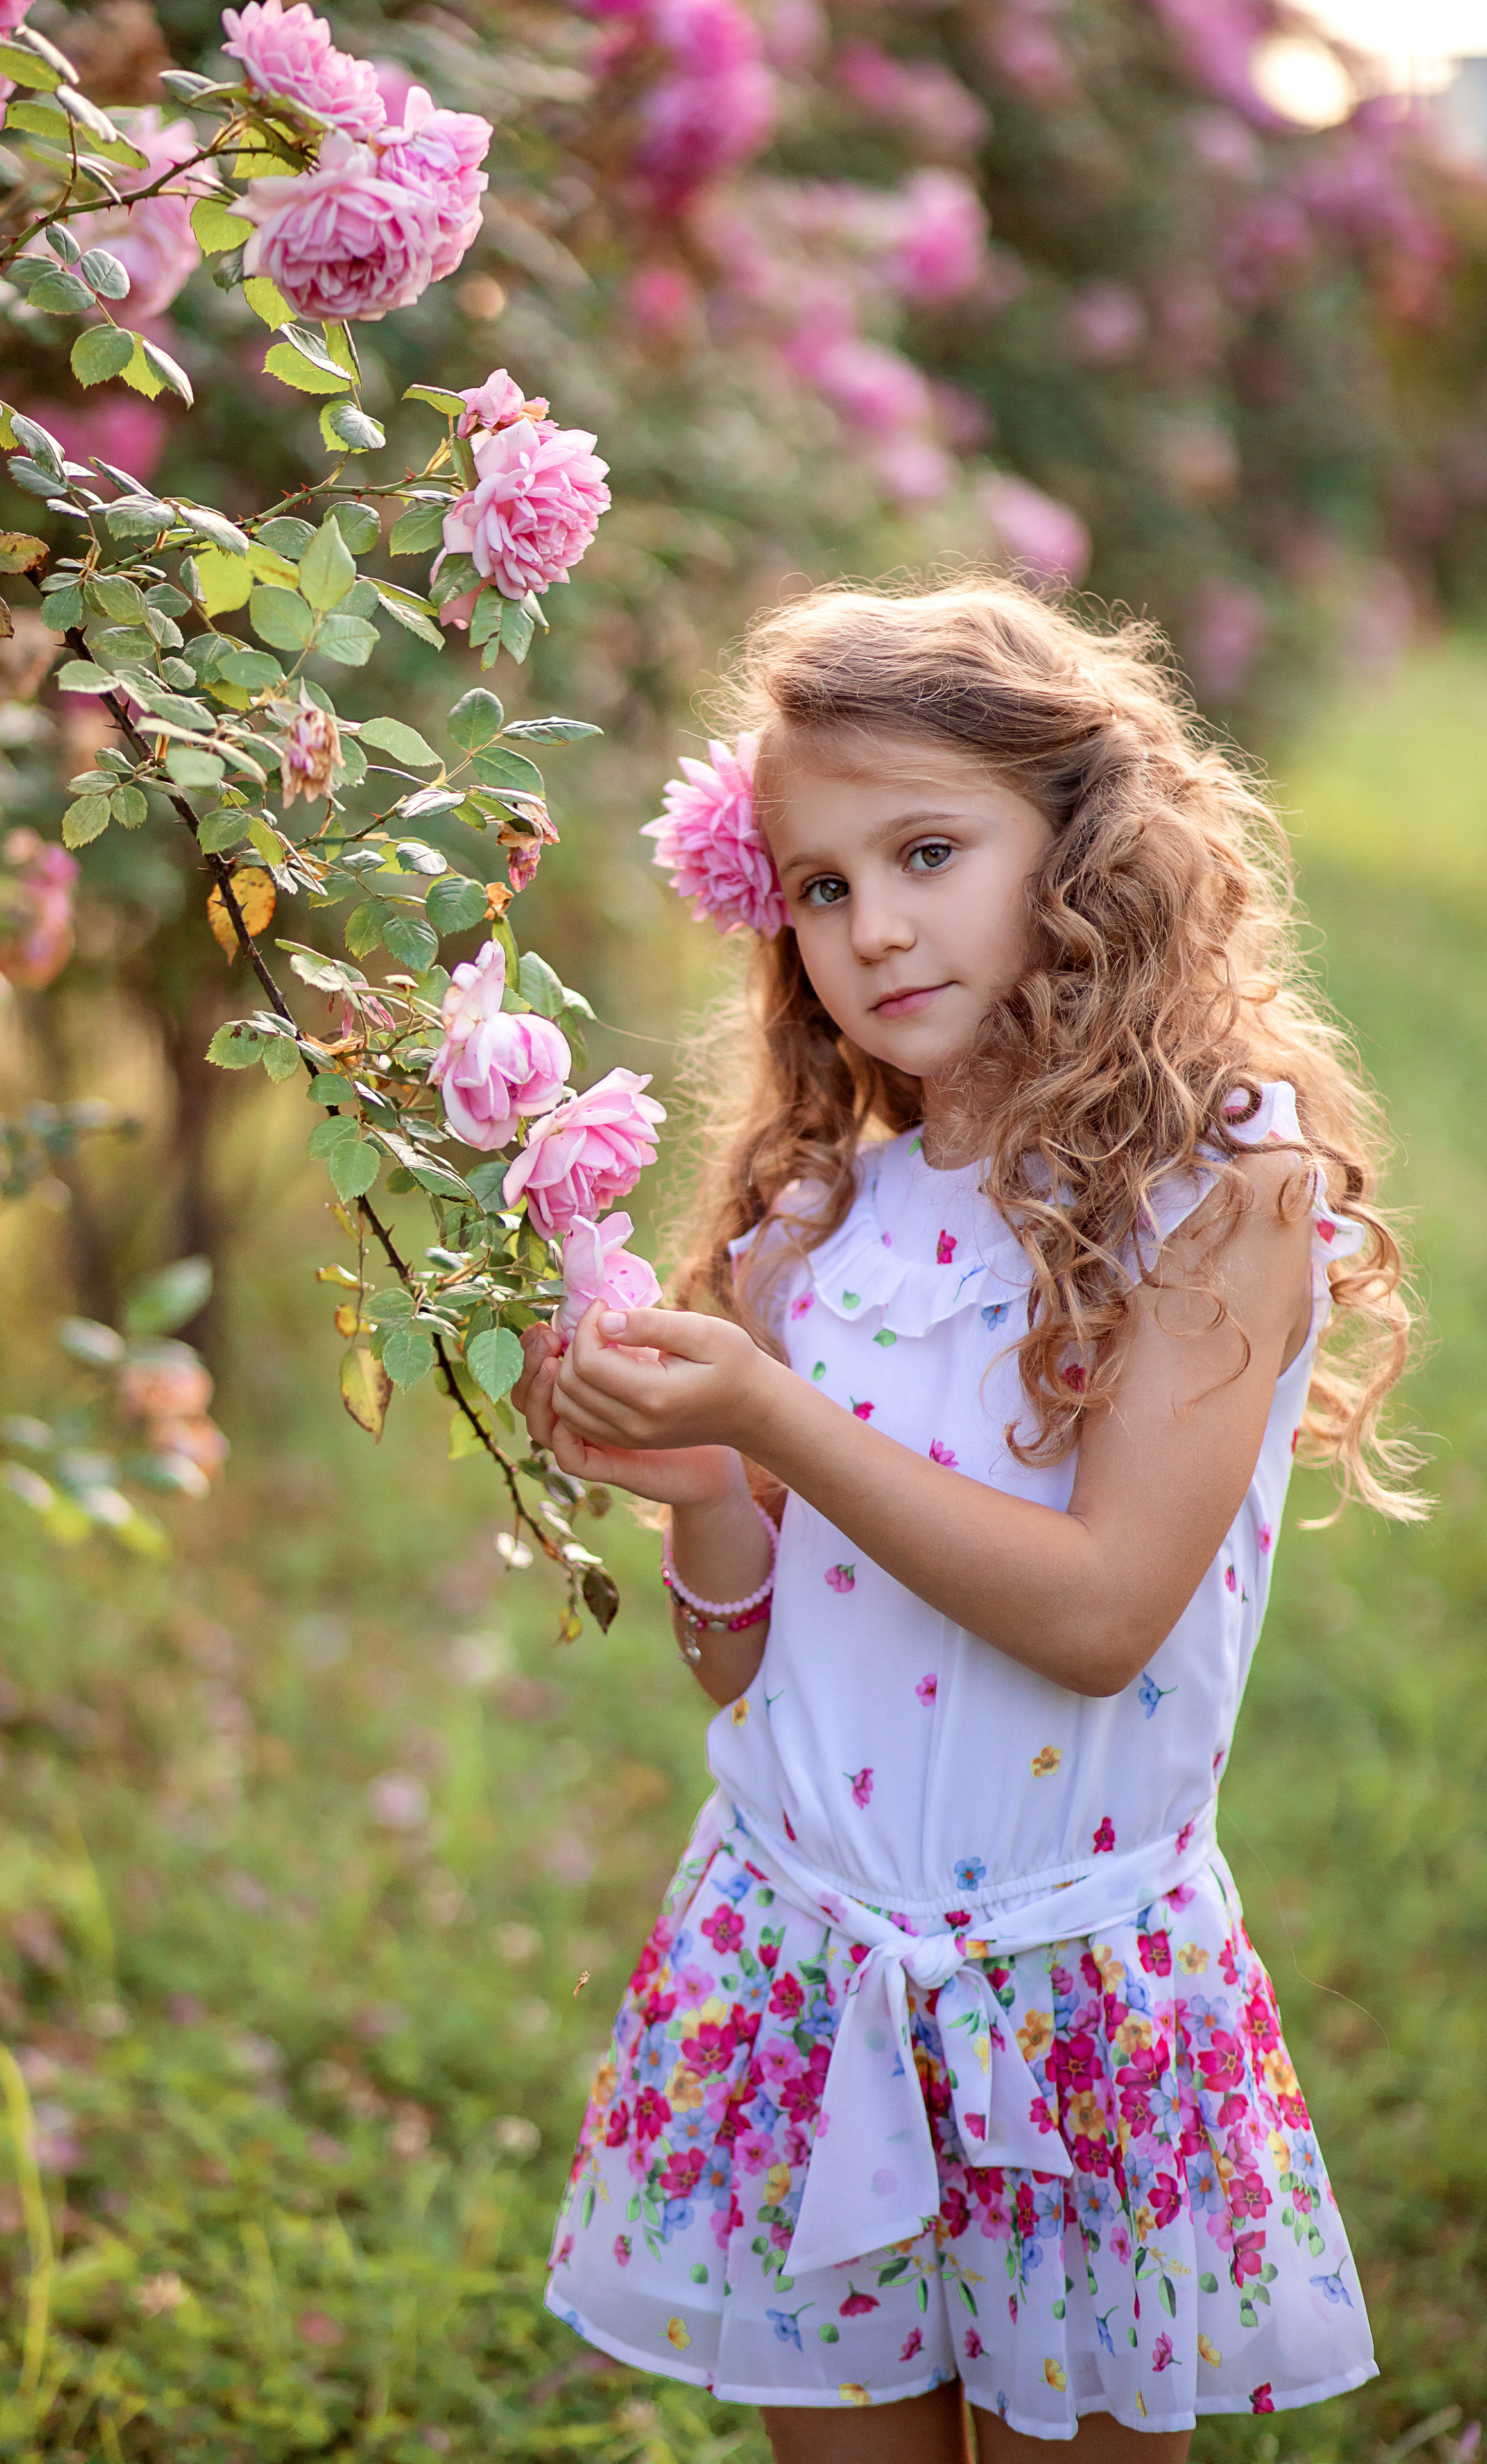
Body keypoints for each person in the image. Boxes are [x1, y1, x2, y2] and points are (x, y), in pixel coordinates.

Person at [512, 579, 1420, 2459]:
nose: (874, 927)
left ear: (1081, 846)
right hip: (797, 1961)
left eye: (927, 850)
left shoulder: (1220, 1195)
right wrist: (705, 1501)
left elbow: (1101, 1618)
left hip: (1071, 1997)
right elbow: (745, 1659)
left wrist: (773, 1415)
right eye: (822, 886)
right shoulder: (817, 1216)